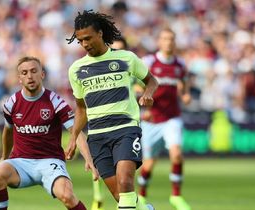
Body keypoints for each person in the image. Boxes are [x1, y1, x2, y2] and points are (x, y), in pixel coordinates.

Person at [66, 10, 158, 210]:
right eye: (80, 41)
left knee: (126, 184)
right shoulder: (76, 69)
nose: (85, 44)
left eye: (88, 38)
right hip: (97, 137)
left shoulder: (126, 58)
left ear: (100, 33)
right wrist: (73, 137)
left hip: (125, 129)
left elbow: (151, 80)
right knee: (120, 196)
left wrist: (148, 93)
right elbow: (81, 108)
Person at [0, 56, 98, 210]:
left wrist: (89, 159)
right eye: (24, 73)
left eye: (34, 71)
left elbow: (77, 132)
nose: (30, 76)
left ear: (42, 74)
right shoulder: (11, 103)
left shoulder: (55, 101)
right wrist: (4, 157)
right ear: (19, 78)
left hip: (50, 162)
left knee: (67, 196)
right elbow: (8, 131)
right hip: (21, 162)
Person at [137, 28, 192, 210]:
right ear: (159, 42)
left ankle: (176, 196)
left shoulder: (180, 64)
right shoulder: (149, 62)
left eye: (171, 39)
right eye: (165, 39)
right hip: (151, 119)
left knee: (176, 154)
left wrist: (184, 95)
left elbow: (183, 83)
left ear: (174, 42)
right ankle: (142, 196)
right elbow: (135, 86)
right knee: (149, 164)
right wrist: (142, 104)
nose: (169, 42)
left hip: (172, 118)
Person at [90, 36, 130, 210]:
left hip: (125, 126)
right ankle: (98, 194)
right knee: (116, 189)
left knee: (124, 179)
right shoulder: (97, 70)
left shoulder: (130, 70)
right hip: (99, 125)